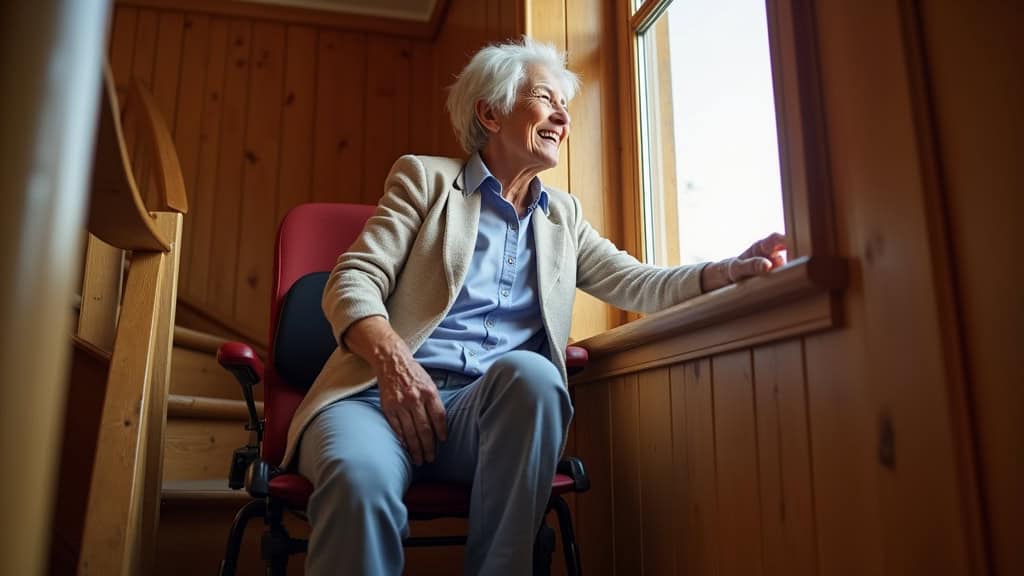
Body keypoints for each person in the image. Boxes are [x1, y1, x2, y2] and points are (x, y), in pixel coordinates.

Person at [283, 36, 787, 575]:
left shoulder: (563, 217)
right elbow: (353, 279)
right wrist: (394, 364)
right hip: (376, 402)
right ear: (491, 113)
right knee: (359, 484)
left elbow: (639, 282)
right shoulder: (426, 180)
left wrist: (725, 271)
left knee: (535, 376)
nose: (563, 118)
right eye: (547, 99)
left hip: (482, 418)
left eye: (565, 106)